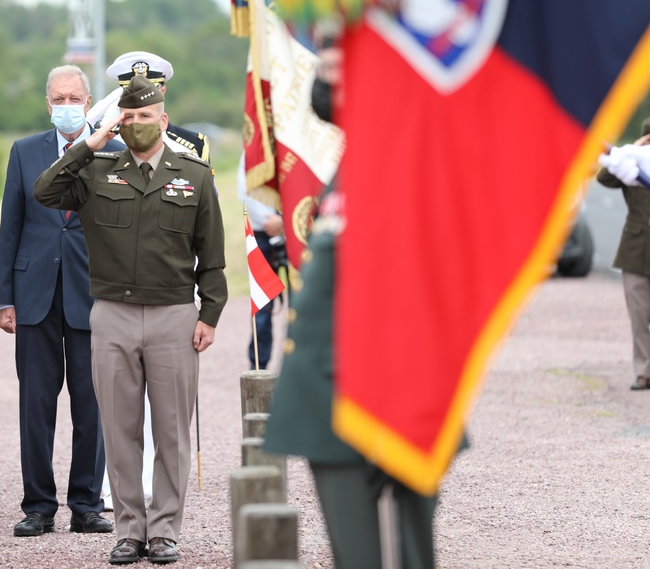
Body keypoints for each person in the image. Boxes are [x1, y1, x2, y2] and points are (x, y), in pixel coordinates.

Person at [265, 52, 452, 568]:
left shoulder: (416, 154)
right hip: (330, 396)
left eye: (345, 53)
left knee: (406, 555)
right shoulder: (354, 161)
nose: (327, 60)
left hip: (393, 393)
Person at [34, 74, 227, 565]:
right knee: (119, 431)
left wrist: (210, 313)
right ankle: (128, 530)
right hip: (113, 315)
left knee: (171, 432)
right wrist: (91, 142)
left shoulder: (195, 175)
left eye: (147, 116)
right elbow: (45, 190)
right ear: (120, 122)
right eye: (130, 117)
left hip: (174, 316)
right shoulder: (97, 170)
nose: (139, 124)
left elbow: (212, 255)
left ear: (163, 119)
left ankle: (164, 530)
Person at [0, 65, 118, 538]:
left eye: (74, 97)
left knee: (92, 404)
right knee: (36, 405)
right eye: (58, 98)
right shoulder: (25, 152)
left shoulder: (111, 150)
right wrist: (5, 297)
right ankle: (39, 506)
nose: (67, 104)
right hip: (34, 295)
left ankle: (86, 503)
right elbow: (11, 224)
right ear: (48, 104)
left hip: (93, 294)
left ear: (89, 101)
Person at [596, 117, 650, 390]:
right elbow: (604, 178)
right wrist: (631, 151)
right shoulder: (634, 166)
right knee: (639, 315)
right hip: (636, 252)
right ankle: (643, 372)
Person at [237, 152, 287, 369]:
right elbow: (244, 187)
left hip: (298, 231)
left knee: (303, 303)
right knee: (262, 304)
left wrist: (285, 221)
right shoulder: (255, 144)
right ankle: (259, 365)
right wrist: (272, 222)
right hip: (263, 232)